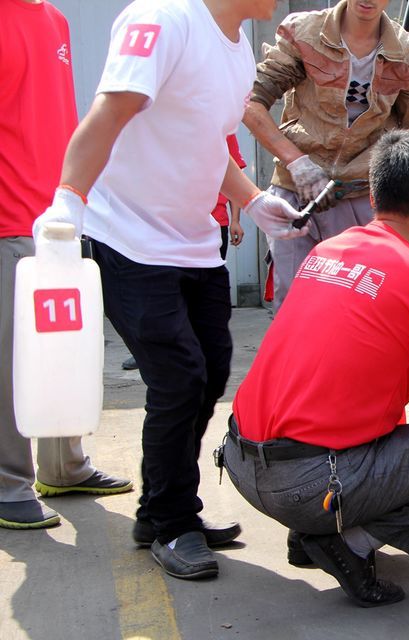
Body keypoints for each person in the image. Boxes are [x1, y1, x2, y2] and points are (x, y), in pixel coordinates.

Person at [32, 0, 306, 579]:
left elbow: (208, 145)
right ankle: (175, 522)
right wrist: (67, 201)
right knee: (178, 376)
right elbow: (108, 115)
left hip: (191, 241)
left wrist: (251, 200)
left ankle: (158, 510)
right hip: (127, 239)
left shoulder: (235, 50)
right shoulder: (161, 20)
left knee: (210, 370)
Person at [224, 131, 409, 607]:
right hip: (304, 484)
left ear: (373, 195)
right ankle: (347, 541)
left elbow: (372, 356)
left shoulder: (332, 251)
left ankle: (313, 531)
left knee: (378, 427)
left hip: (243, 463)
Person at [0, 0, 132, 530]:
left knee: (62, 348)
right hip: (8, 216)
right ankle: (9, 483)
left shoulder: (53, 18)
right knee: (13, 359)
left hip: (55, 214)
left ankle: (64, 464)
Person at [243, 0, 409, 310]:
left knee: (358, 308)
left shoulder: (407, 51)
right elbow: (250, 103)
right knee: (294, 306)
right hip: (296, 192)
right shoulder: (303, 32)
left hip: (360, 194)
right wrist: (297, 161)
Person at [121, 133, 246, 372]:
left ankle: (196, 349)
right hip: (169, 224)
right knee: (163, 291)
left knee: (201, 293)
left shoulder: (220, 124)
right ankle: (154, 350)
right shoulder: (158, 122)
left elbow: (235, 172)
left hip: (213, 222)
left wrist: (236, 220)